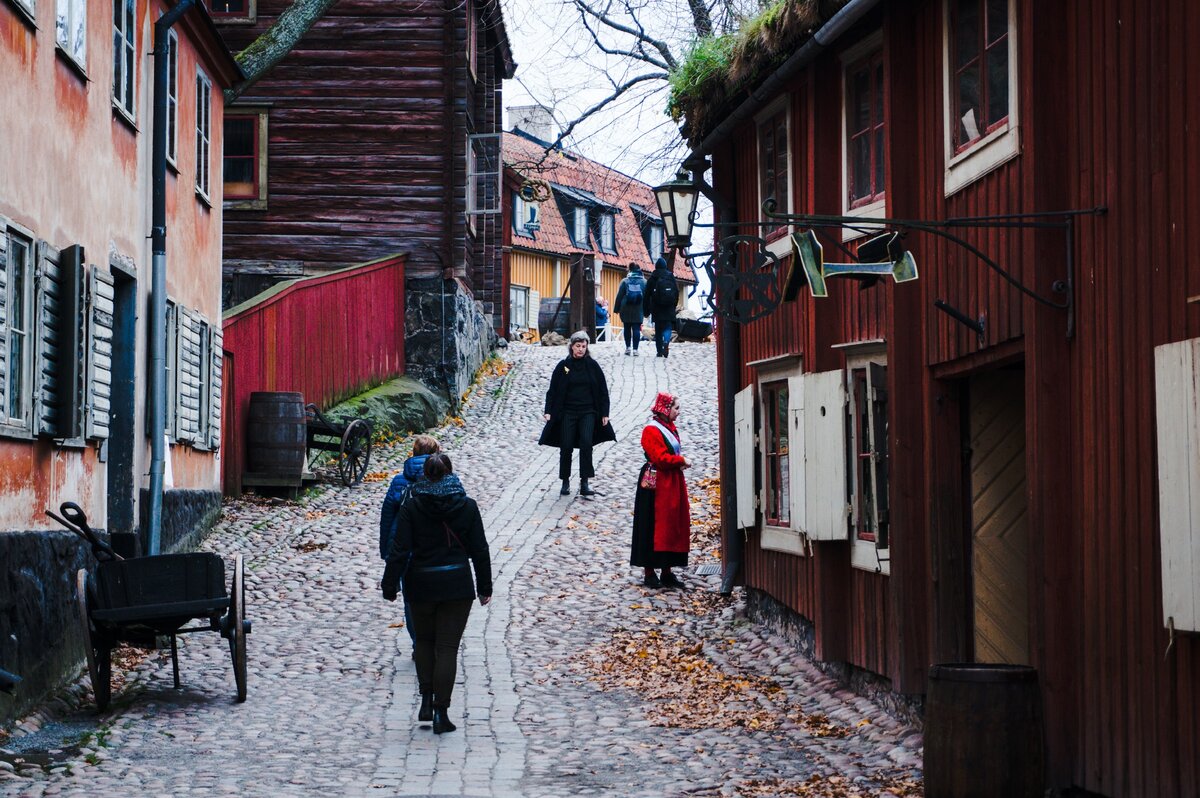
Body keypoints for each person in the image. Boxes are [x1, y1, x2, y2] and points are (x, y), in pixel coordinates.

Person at [381, 453, 492, 734]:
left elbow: (399, 549)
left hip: (421, 584)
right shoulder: (466, 506)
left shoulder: (412, 506)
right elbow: (479, 549)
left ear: (424, 476)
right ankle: (442, 712)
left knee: (425, 643)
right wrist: (485, 587)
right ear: (450, 473)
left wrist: (390, 584)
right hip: (457, 584)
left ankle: (426, 700)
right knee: (447, 648)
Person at [379, 434, 442, 649]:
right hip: (435, 546)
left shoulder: (399, 480)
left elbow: (387, 516)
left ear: (413, 453)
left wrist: (386, 551)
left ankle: (418, 642)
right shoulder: (445, 479)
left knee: (411, 598)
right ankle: (434, 638)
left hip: (405, 548)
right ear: (436, 455)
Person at [538, 331, 616, 496]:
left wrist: (604, 413)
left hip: (588, 411)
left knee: (586, 444)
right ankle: (565, 481)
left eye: (583, 346)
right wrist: (548, 411)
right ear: (571, 347)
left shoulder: (592, 366)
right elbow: (552, 390)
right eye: (577, 346)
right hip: (568, 412)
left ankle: (585, 481)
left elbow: (603, 390)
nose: (580, 349)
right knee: (566, 445)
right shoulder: (564, 366)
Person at [630, 391, 692, 588]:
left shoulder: (670, 427)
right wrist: (681, 460)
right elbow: (661, 458)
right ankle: (650, 572)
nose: (679, 412)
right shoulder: (651, 430)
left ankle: (667, 570)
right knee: (652, 525)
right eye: (676, 408)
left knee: (672, 523)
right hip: (655, 485)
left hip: (671, 482)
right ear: (666, 409)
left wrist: (678, 464)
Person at [643, 256, 680, 358]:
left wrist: (646, 310)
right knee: (667, 327)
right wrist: (674, 304)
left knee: (658, 330)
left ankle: (659, 351)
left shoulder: (652, 278)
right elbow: (676, 292)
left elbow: (646, 295)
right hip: (669, 307)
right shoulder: (670, 276)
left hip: (657, 307)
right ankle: (666, 342)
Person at [613, 262, 647, 356]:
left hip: (625, 308)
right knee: (636, 329)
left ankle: (628, 348)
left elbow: (619, 296)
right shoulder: (644, 282)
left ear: (630, 270)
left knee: (627, 328)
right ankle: (635, 350)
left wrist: (616, 309)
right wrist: (647, 310)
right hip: (638, 308)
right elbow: (648, 297)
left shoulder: (625, 281)